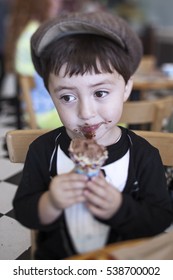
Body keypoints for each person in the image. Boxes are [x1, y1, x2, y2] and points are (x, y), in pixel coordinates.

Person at [13, 11, 173, 260]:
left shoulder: (143, 155)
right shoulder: (44, 150)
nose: (86, 114)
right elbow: (24, 212)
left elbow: (160, 218)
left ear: (126, 88)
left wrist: (120, 208)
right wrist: (51, 202)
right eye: (67, 97)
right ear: (51, 94)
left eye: (100, 93)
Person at [4, 0, 63, 129]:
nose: (57, 3)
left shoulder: (31, 30)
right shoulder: (37, 36)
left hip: (43, 106)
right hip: (47, 109)